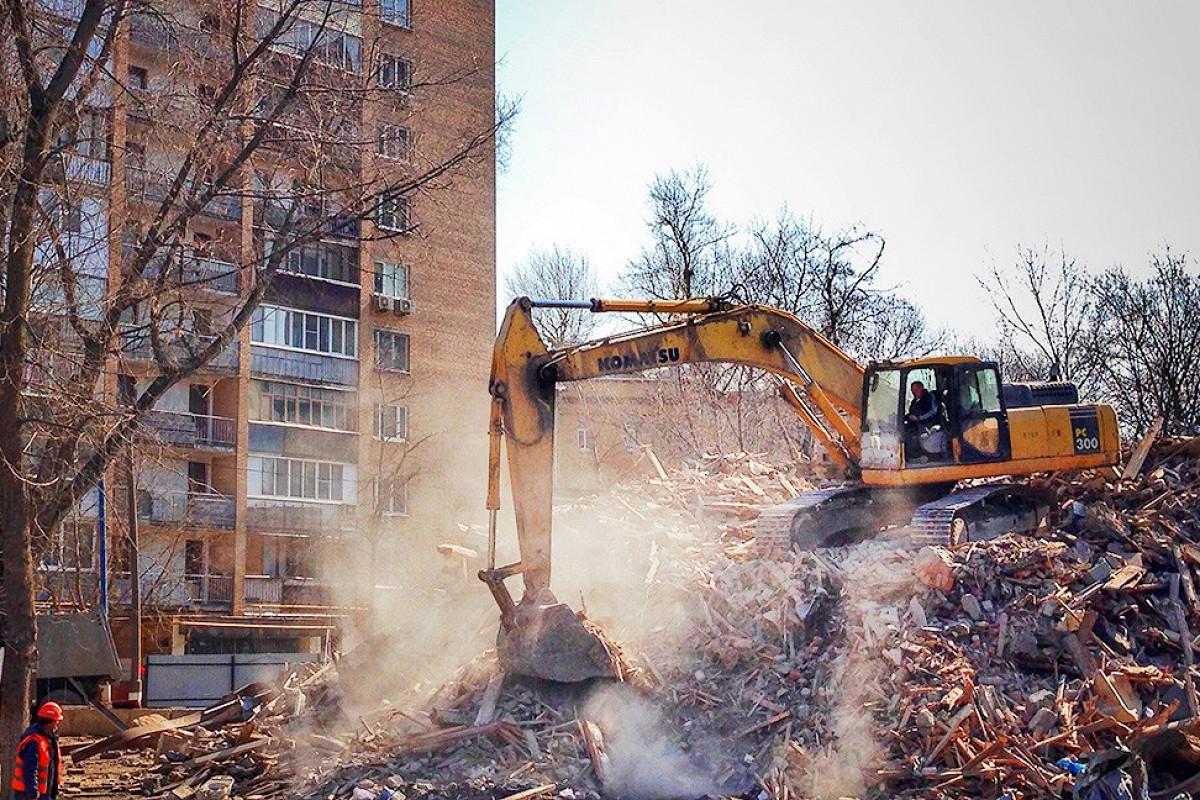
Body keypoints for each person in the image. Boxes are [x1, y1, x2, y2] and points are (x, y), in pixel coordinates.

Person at [11, 701, 63, 800]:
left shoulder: (49, 738)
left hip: (45, 792)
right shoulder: (33, 741)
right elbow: (30, 769)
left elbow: (51, 766)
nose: (57, 724)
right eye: (57, 721)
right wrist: (32, 793)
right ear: (50, 721)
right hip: (30, 794)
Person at [905, 381, 941, 460]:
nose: (913, 392)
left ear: (921, 388)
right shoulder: (914, 402)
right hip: (916, 425)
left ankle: (926, 456)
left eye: (915, 389)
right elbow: (912, 413)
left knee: (919, 437)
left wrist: (919, 418)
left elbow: (933, 411)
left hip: (929, 425)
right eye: (912, 390)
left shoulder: (929, 397)